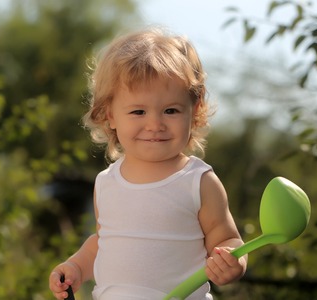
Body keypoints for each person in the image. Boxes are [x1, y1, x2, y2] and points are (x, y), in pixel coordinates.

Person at [49, 27, 247, 300]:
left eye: (171, 110)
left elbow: (227, 239)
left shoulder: (198, 181)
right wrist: (76, 267)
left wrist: (232, 261)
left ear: (195, 110)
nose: (155, 124)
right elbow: (103, 243)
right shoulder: (106, 182)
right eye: (138, 111)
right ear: (111, 116)